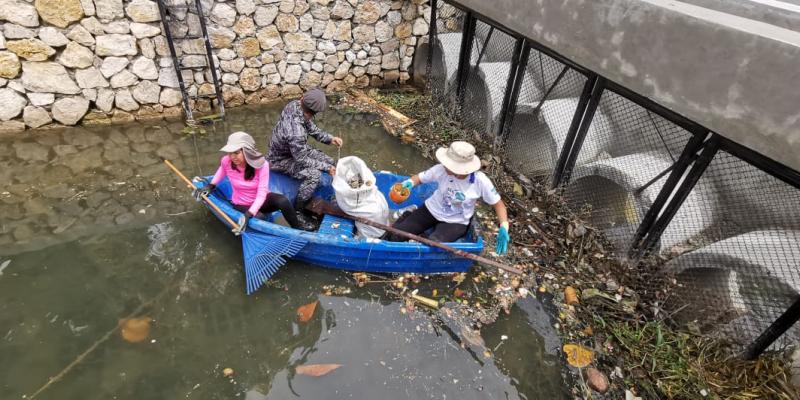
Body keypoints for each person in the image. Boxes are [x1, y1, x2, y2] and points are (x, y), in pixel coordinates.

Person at [383, 141, 511, 255]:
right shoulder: (441, 170)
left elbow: (498, 205)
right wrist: (407, 185)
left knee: (433, 244)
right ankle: (408, 216)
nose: (444, 165)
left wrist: (504, 227)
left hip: (456, 221)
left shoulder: (480, 181)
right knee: (396, 235)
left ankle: (422, 237)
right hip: (431, 210)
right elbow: (419, 178)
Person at [194, 131, 314, 231]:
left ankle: (297, 229)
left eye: (236, 153)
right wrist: (210, 186)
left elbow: (262, 193)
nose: (232, 157)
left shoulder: (262, 165)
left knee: (283, 200)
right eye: (230, 153)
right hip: (241, 204)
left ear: (247, 151)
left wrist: (249, 214)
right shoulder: (226, 161)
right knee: (260, 217)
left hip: (261, 200)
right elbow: (221, 171)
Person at [268, 87, 343, 215]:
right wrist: (326, 168)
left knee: (329, 160)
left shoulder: (294, 105)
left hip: (294, 149)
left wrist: (330, 139)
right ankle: (299, 209)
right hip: (280, 159)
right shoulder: (296, 133)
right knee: (315, 175)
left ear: (302, 98)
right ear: (314, 113)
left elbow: (311, 128)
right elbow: (301, 159)